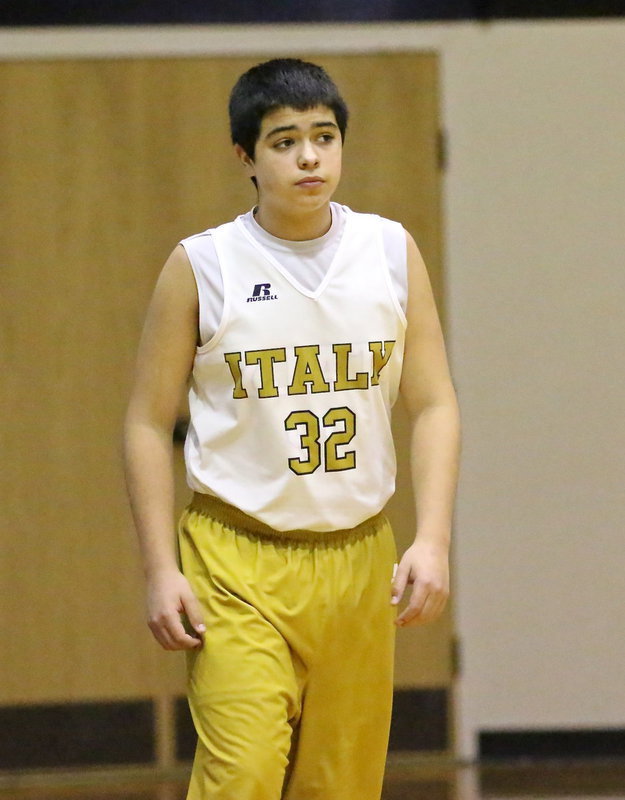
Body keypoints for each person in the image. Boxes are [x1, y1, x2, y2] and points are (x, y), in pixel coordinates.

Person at [123, 57, 460, 800]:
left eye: (324, 136)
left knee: (338, 787)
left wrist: (431, 538)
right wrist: (158, 568)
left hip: (355, 558)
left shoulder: (389, 251)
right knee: (239, 775)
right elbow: (148, 424)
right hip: (235, 559)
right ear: (245, 155)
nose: (309, 157)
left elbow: (433, 403)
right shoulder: (202, 264)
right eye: (283, 142)